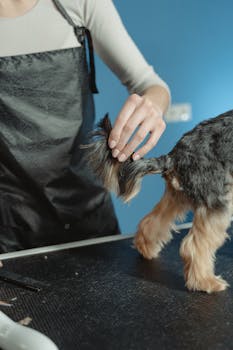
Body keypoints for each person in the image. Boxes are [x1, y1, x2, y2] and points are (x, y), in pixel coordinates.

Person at [0, 0, 170, 252]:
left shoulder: (80, 3)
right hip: (8, 227)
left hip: (88, 216)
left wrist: (153, 106)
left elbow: (150, 84)